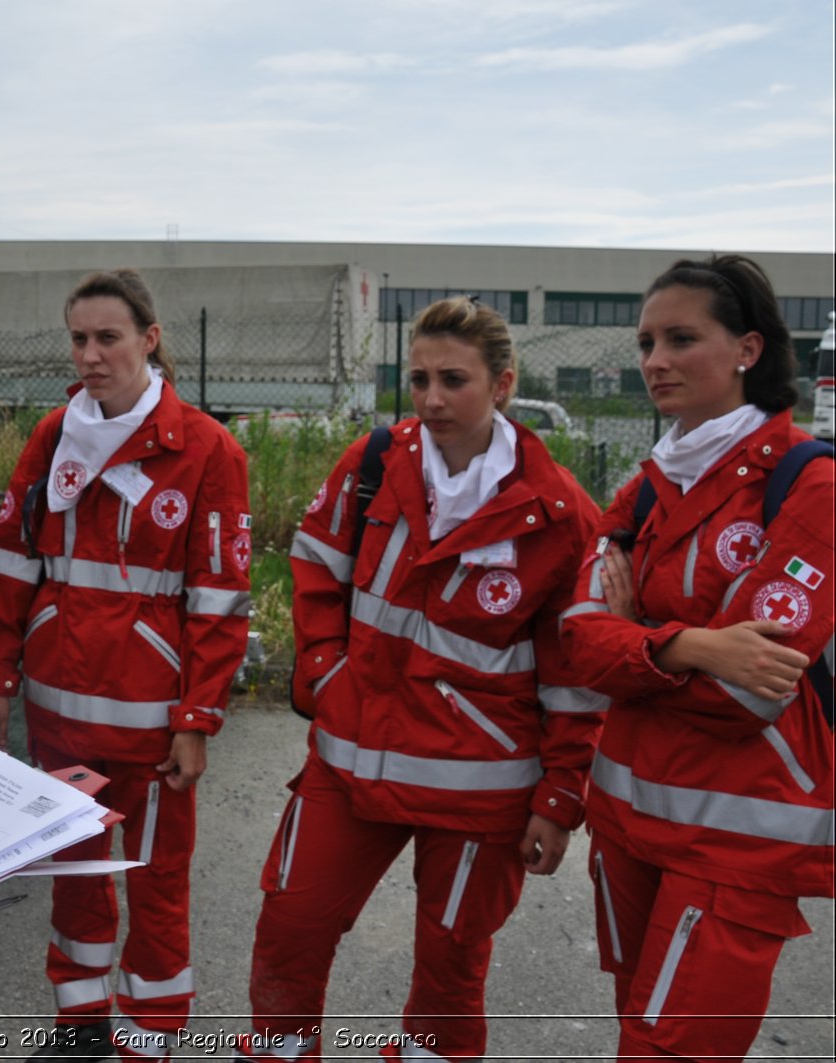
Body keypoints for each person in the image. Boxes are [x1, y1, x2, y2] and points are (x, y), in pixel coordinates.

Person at [236, 297, 604, 1062]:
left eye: (454, 380)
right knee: (290, 930)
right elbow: (315, 570)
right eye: (419, 378)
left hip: (482, 790)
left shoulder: (560, 512)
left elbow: (576, 674)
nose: (432, 398)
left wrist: (562, 796)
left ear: (502, 385)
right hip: (352, 761)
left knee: (451, 968)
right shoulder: (373, 465)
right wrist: (324, 675)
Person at [561, 255, 836, 1061]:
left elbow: (746, 698)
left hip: (737, 839)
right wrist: (692, 642)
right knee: (638, 1031)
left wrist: (637, 638)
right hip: (630, 822)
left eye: (681, 337)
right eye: (647, 340)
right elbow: (580, 640)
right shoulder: (655, 482)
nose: (654, 359)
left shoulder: (815, 486)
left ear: (748, 349)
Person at [0, 269, 251, 1062]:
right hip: (61, 717)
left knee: (157, 885)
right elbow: (12, 562)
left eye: (109, 338)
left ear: (150, 339)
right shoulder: (52, 437)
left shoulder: (206, 449)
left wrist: (196, 719)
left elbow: (220, 601)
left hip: (152, 727)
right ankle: (81, 1030)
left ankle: (148, 1041)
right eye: (79, 339)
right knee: (76, 875)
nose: (91, 355)